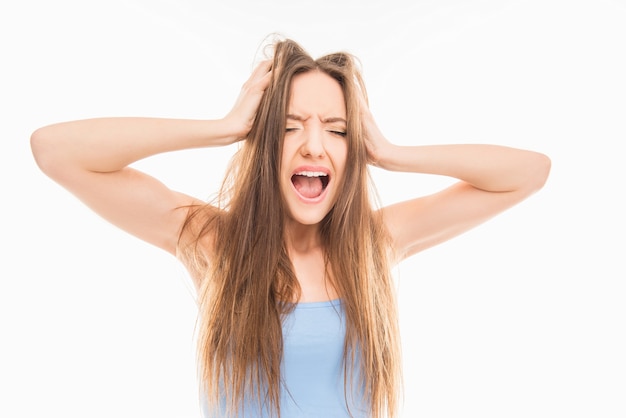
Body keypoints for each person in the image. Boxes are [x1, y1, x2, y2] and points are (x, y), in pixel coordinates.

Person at [30, 38, 551, 418]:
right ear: (262, 144)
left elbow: (529, 173)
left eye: (337, 129)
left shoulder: (377, 243)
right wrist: (225, 128)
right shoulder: (214, 243)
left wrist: (392, 153)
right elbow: (55, 152)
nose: (314, 145)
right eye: (288, 125)